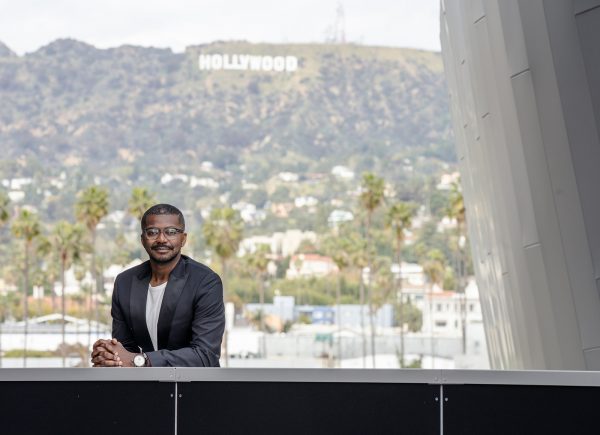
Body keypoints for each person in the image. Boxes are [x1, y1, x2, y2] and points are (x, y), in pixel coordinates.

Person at [91, 203, 225, 367]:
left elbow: (205, 355)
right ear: (142, 239)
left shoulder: (205, 282)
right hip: (145, 388)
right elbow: (125, 350)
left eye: (171, 232)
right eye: (152, 232)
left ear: (183, 239)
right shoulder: (125, 283)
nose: (161, 239)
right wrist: (109, 354)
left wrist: (141, 361)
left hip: (194, 388)